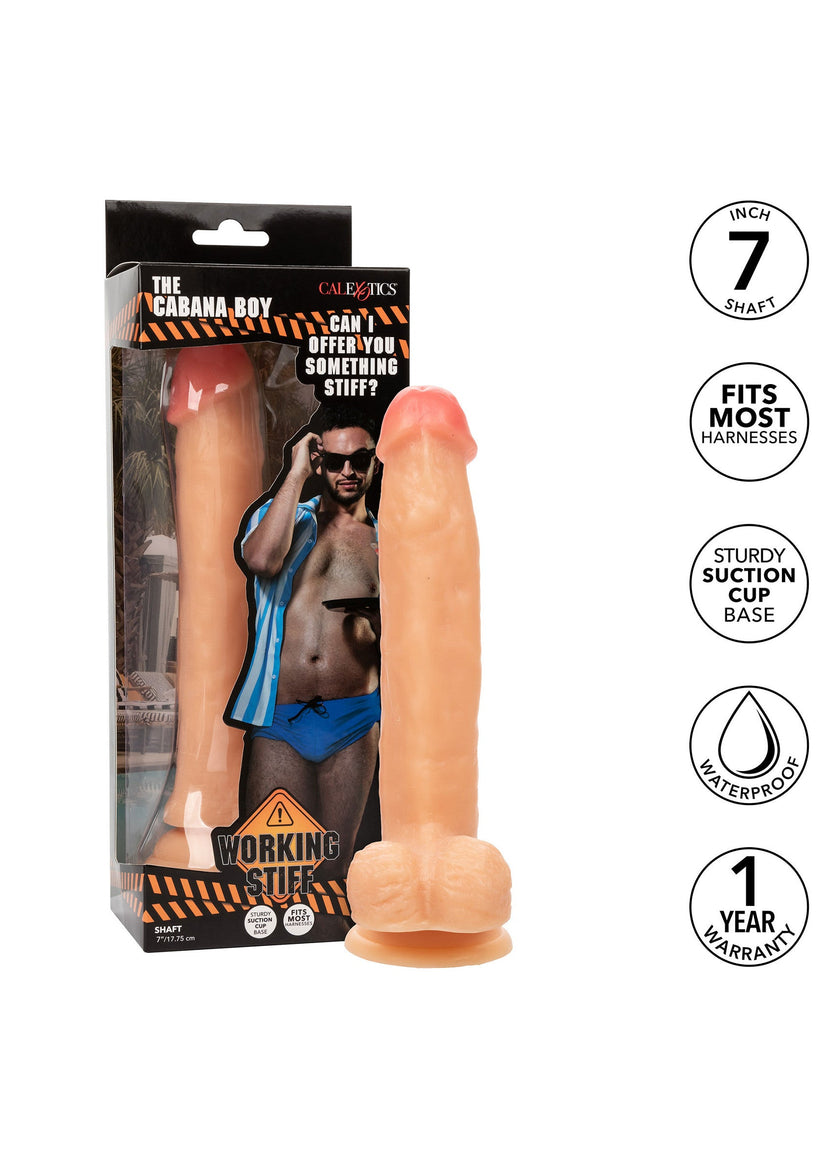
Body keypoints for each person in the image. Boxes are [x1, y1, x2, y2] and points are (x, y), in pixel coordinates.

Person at [230, 403, 381, 883]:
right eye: (335, 461)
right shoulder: (283, 517)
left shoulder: (390, 540)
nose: (348, 470)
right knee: (272, 867)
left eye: (360, 459)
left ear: (376, 461)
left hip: (355, 719)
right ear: (319, 462)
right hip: (280, 720)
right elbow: (260, 561)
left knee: (335, 868)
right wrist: (295, 472)